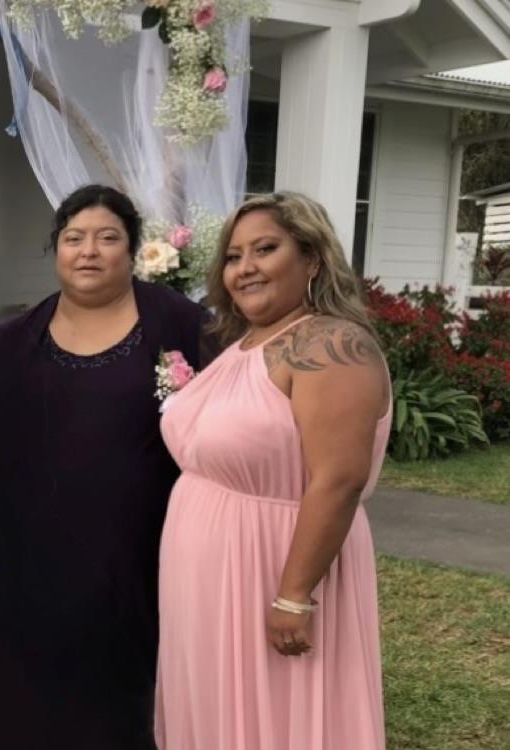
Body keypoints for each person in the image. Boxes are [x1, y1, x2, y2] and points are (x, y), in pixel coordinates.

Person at [0, 184, 214, 749]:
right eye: (74, 238)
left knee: (120, 708)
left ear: (132, 251)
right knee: (29, 705)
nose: (90, 251)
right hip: (33, 564)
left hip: (138, 562)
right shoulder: (7, 341)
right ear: (56, 251)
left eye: (107, 238)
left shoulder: (182, 326)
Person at [154, 191, 391, 749]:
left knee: (279, 720)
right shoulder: (247, 344)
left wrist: (293, 596)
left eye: (265, 249)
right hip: (209, 578)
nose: (245, 268)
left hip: (273, 570)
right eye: (234, 256)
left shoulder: (332, 344)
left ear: (311, 258)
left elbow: (339, 480)